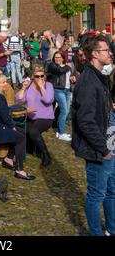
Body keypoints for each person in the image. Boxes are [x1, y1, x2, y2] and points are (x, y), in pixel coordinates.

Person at [71, 34, 114, 236]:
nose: (111, 53)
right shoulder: (88, 81)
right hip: (98, 149)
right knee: (96, 194)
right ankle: (96, 233)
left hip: (109, 145)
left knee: (111, 192)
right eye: (106, 50)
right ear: (95, 54)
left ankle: (111, 229)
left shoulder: (100, 77)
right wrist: (103, 149)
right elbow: (85, 121)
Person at [0, 74, 35, 180]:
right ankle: (19, 170)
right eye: (3, 82)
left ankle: (8, 160)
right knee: (20, 137)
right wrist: (12, 126)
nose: (6, 84)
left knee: (20, 131)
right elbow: (6, 117)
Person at [16, 65, 54, 166]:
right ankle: (29, 149)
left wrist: (41, 86)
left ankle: (45, 154)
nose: (40, 78)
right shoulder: (29, 85)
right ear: (33, 76)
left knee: (32, 131)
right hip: (31, 116)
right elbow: (20, 100)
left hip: (46, 117)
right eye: (37, 76)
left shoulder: (48, 85)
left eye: (42, 76)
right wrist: (23, 88)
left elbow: (48, 100)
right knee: (20, 128)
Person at [47, 51, 73, 142]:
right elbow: (60, 71)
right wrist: (68, 66)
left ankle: (58, 129)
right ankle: (62, 133)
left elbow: (71, 75)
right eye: (55, 57)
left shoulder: (67, 67)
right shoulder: (52, 66)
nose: (57, 59)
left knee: (66, 110)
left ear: (63, 58)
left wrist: (73, 78)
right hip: (58, 90)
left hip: (67, 90)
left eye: (59, 57)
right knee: (64, 110)